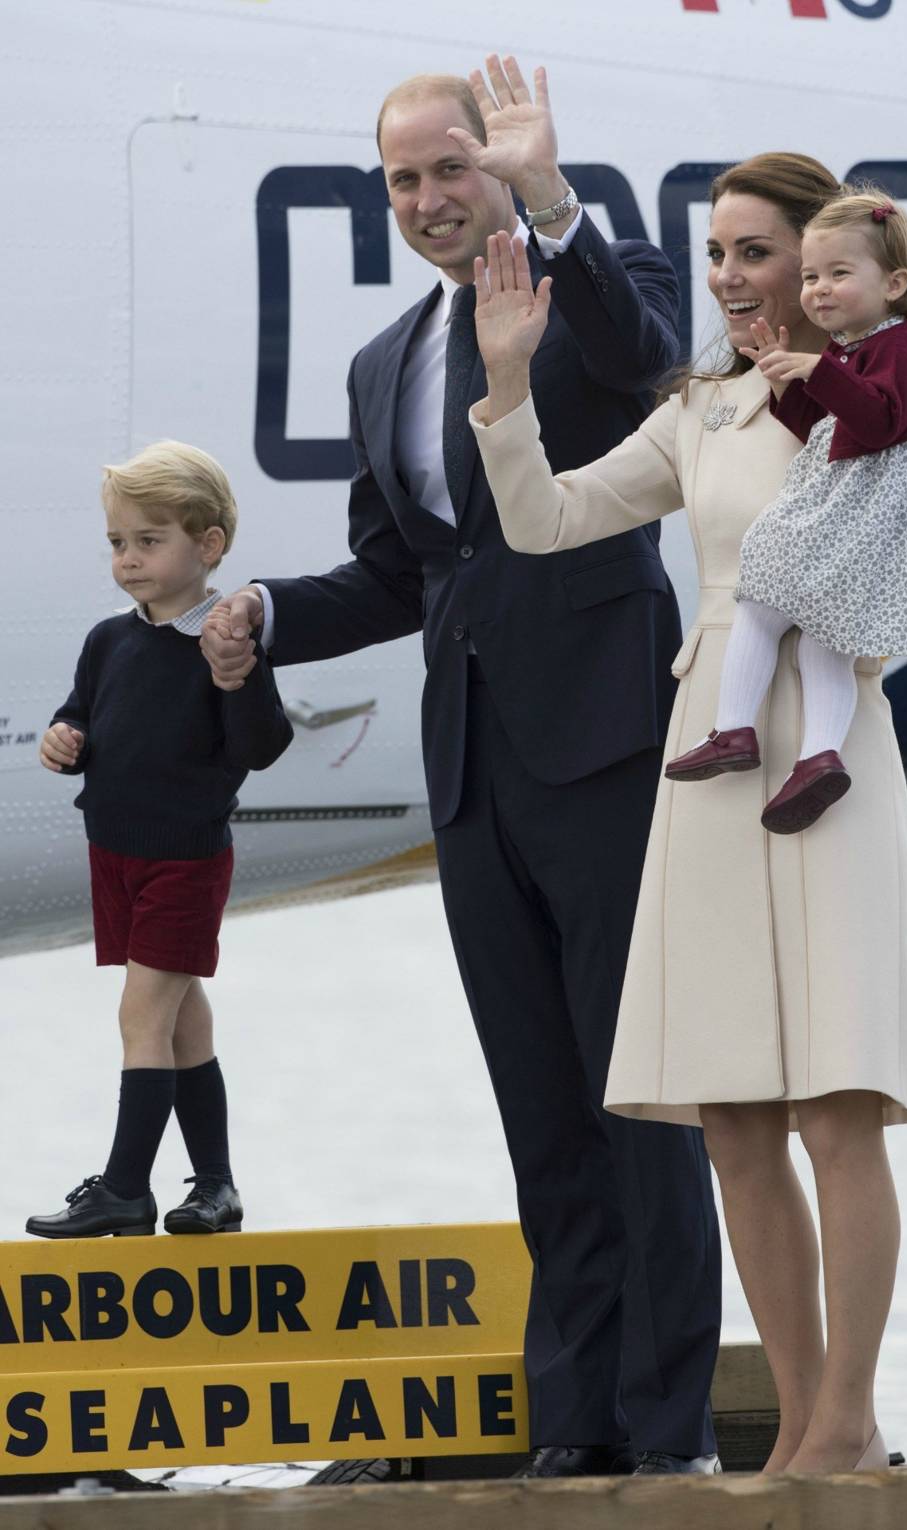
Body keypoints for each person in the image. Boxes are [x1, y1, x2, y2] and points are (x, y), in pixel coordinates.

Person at [201, 59, 721, 1477]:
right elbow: (400, 570)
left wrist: (557, 199)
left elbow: (650, 352)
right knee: (543, 1110)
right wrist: (262, 615)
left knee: (645, 1100)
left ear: (499, 170)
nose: (430, 201)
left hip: (611, 740)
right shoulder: (388, 363)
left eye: (453, 169)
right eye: (405, 181)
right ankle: (581, 1427)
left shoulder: (590, 294)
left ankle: (669, 1435)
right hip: (477, 765)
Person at [469, 153, 907, 1474]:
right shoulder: (701, 409)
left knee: (838, 1099)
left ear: (826, 258)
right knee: (736, 1113)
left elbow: (906, 568)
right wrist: (508, 385)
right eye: (719, 254)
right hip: (712, 749)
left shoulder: (881, 399)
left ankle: (845, 1418)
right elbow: (549, 518)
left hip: (829, 735)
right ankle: (800, 1418)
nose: (731, 278)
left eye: (757, 252)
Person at [664, 188, 907, 832]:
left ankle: (734, 729)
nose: (819, 290)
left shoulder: (902, 343)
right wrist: (781, 382)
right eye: (812, 276)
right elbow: (822, 425)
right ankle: (819, 757)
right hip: (863, 494)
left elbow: (876, 422)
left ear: (896, 281)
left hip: (874, 501)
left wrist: (817, 369)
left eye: (839, 274)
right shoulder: (857, 347)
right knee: (826, 639)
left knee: (760, 592)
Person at [28, 441, 292, 1240]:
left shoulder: (225, 641)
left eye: (150, 541)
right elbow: (83, 709)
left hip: (184, 858)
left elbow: (261, 746)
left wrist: (233, 676)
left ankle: (124, 1189)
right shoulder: (111, 639)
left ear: (208, 546)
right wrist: (63, 735)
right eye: (118, 543)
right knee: (181, 1023)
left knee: (141, 1015)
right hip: (116, 854)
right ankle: (216, 1188)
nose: (130, 560)